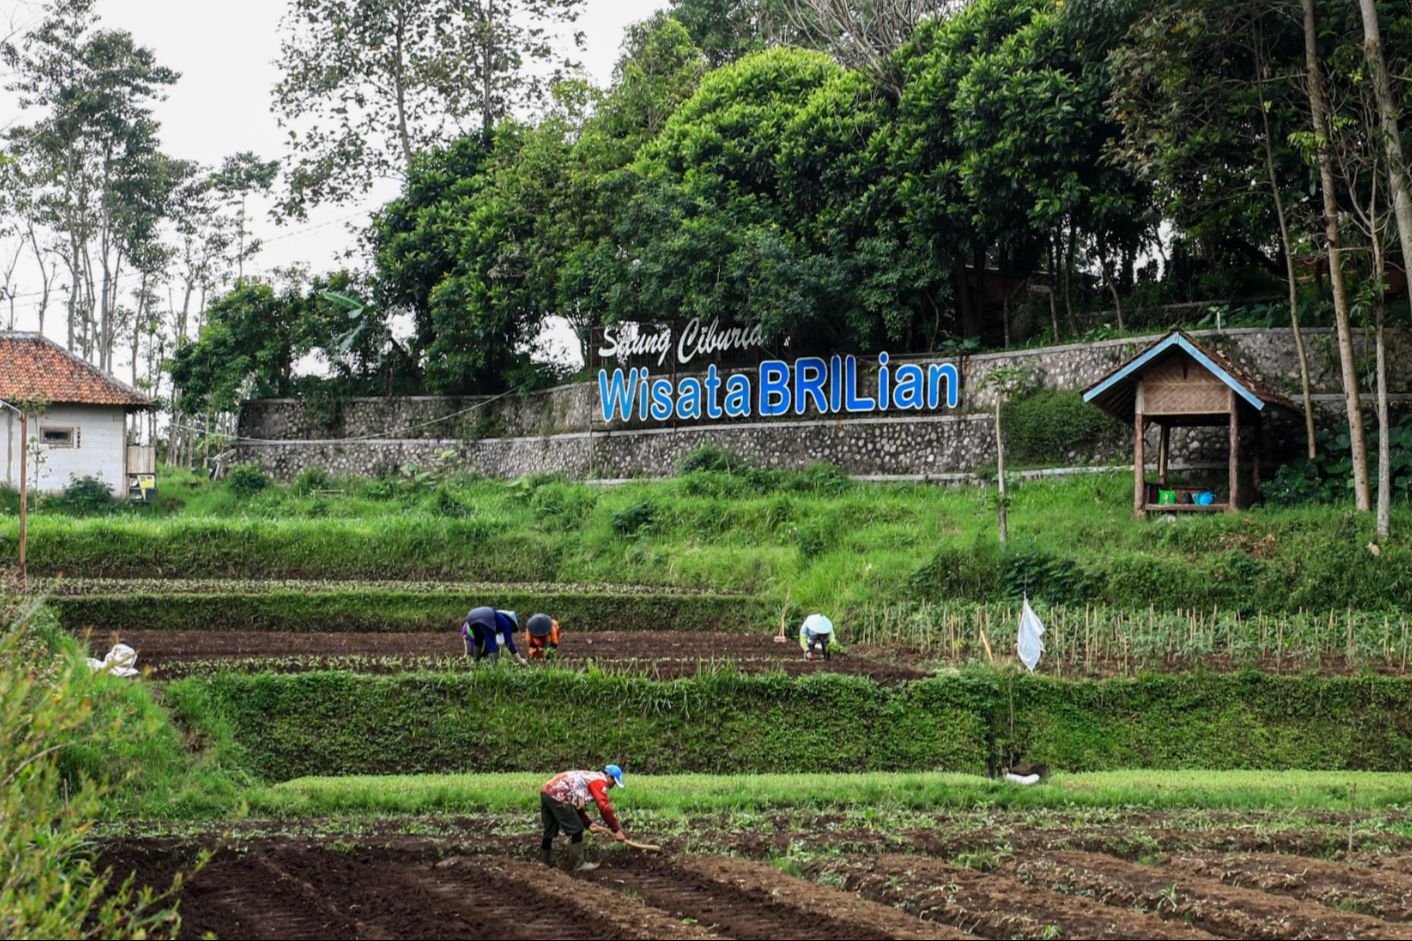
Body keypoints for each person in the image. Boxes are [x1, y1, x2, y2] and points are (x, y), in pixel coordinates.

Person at [540, 764, 628, 871]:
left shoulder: (589, 777)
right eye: (614, 782)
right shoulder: (600, 781)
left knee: (550, 829)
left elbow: (575, 806)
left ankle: (544, 862)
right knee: (577, 828)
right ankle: (579, 864)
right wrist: (616, 829)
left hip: (547, 791)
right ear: (609, 776)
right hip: (559, 795)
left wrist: (589, 824)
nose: (612, 786)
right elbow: (604, 807)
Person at [461, 606, 526, 663]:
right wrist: (520, 660)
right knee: (491, 643)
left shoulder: (499, 619)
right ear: (513, 625)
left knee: (478, 639)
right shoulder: (507, 624)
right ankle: (494, 669)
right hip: (486, 616)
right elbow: (509, 643)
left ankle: (476, 662)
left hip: (471, 615)